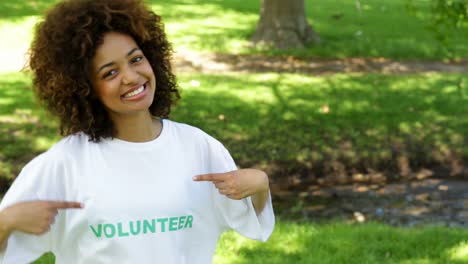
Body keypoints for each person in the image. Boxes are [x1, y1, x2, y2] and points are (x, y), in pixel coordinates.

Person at [0, 0, 275, 263]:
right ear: (84, 89)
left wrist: (260, 184)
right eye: (109, 73)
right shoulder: (64, 164)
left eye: (136, 59)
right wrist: (6, 222)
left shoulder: (197, 147)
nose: (131, 77)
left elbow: (251, 220)